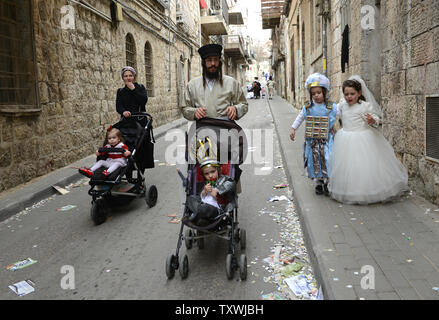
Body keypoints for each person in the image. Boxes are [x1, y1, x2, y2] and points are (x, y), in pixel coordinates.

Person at [328, 76, 408, 204]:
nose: (349, 97)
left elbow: (375, 119)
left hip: (363, 139)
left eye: (352, 94)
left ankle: (366, 192)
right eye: (346, 94)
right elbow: (333, 113)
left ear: (359, 93)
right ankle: (350, 191)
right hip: (345, 139)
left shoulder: (365, 106)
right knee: (349, 167)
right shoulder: (342, 105)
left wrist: (373, 121)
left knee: (363, 166)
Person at [290, 73, 338, 195]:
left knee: (327, 158)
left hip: (327, 139)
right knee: (314, 160)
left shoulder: (331, 106)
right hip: (312, 141)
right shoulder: (308, 107)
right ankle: (318, 182)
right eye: (313, 93)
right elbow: (300, 117)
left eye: (319, 92)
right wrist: (293, 128)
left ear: (325, 92)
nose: (316, 95)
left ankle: (327, 182)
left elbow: (341, 113)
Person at [182, 43, 248, 121]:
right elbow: (185, 108)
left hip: (225, 129)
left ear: (219, 62)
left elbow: (244, 105)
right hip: (202, 129)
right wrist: (194, 112)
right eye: (209, 60)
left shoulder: (231, 83)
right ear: (203, 63)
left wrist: (235, 109)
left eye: (215, 60)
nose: (213, 63)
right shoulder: (192, 85)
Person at [186, 138, 236, 226]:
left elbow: (231, 184)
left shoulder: (223, 179)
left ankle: (196, 215)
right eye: (206, 174)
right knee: (190, 199)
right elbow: (200, 197)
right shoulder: (204, 183)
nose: (210, 175)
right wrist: (204, 192)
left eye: (213, 172)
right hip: (202, 205)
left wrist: (217, 190)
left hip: (216, 210)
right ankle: (197, 214)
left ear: (218, 170)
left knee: (205, 208)